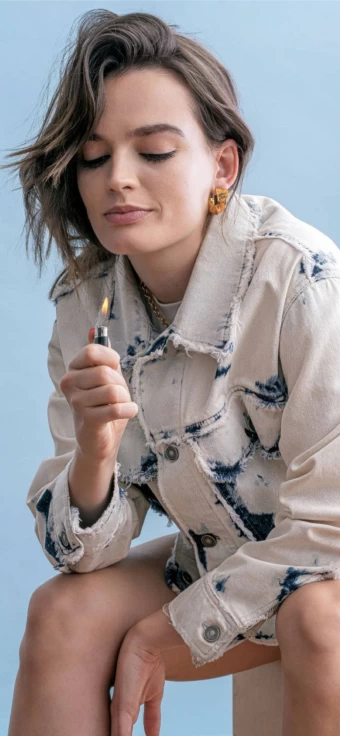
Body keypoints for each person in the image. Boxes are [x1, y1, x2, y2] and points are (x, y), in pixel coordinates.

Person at [4, 9, 340, 736]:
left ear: (222, 166)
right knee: (61, 612)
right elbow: (82, 549)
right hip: (225, 555)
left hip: (326, 565)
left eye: (153, 151)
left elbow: (329, 529)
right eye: (94, 158)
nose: (117, 179)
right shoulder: (83, 305)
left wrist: (165, 634)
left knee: (318, 613)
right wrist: (95, 452)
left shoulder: (301, 279)